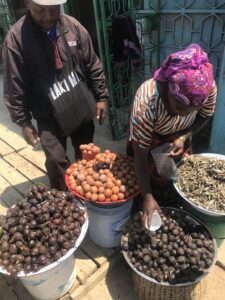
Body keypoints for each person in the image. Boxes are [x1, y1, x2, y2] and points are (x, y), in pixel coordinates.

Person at [3, 0, 108, 191]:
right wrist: (23, 122)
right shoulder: (16, 39)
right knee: (55, 160)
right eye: (40, 10)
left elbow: (92, 63)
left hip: (77, 104)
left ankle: (85, 191)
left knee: (85, 152)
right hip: (46, 113)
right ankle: (65, 200)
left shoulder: (73, 26)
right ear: (27, 3)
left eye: (53, 9)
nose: (48, 16)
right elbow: (14, 85)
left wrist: (101, 96)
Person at [128, 44, 217, 226]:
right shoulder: (146, 103)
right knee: (148, 188)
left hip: (179, 137)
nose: (184, 114)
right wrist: (147, 196)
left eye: (191, 110)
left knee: (176, 181)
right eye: (178, 107)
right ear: (169, 89)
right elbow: (140, 154)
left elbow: (205, 116)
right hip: (149, 140)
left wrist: (184, 136)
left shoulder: (206, 89)